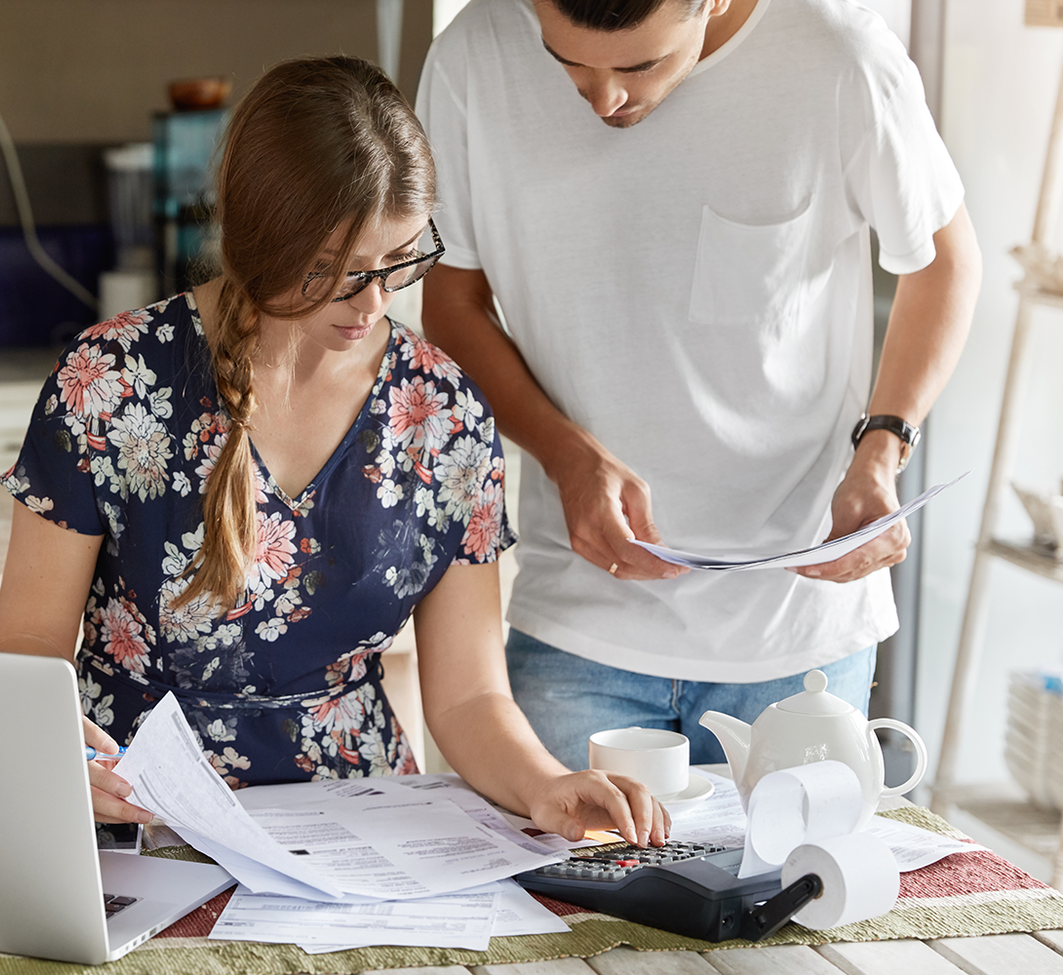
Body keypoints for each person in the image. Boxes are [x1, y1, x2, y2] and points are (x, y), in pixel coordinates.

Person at [0, 55, 666, 846]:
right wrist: (59, 748)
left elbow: (469, 697)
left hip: (362, 837)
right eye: (332, 273)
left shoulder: (443, 414)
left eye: (399, 261)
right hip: (137, 824)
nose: (374, 304)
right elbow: (27, 652)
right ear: (259, 238)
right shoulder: (109, 382)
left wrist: (547, 784)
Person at [416, 0, 981, 770]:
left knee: (799, 888)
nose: (604, 98)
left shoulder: (841, 58)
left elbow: (945, 262)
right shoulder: (473, 57)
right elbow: (452, 302)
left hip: (798, 637)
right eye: (568, 64)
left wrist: (879, 451)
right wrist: (565, 454)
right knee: (562, 893)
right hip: (579, 629)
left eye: (638, 65)